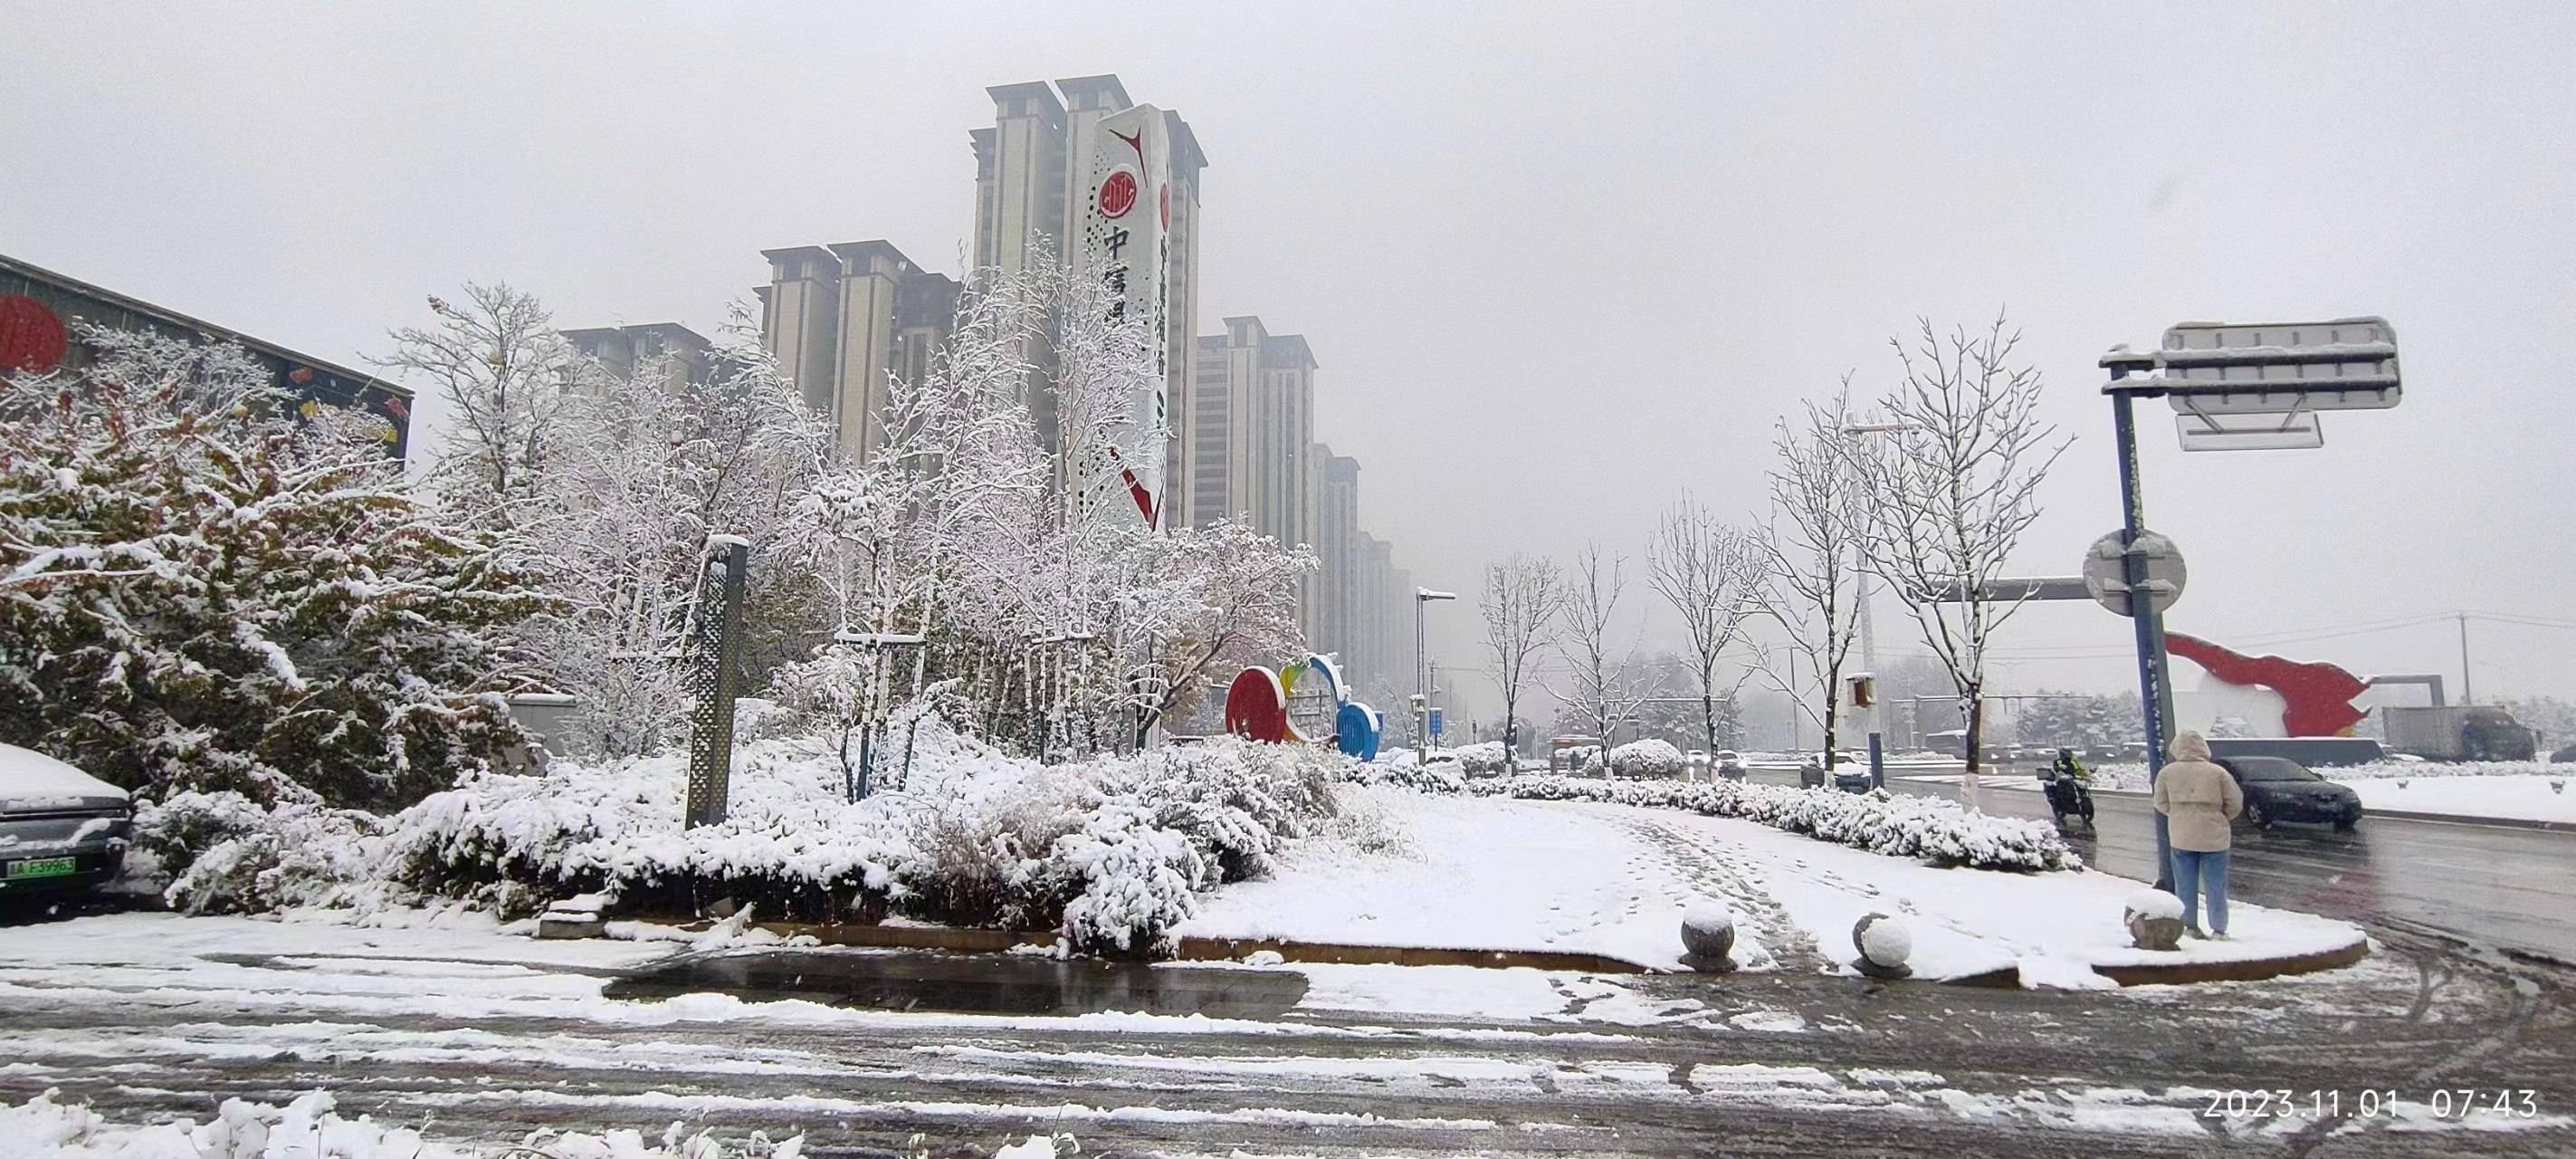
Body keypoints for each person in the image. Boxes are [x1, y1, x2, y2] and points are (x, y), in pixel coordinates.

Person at [2151, 730, 2244, 939]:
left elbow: (2160, 803)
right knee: (2216, 886)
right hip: (2215, 838)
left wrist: (2179, 814)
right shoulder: (2217, 772)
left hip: (2181, 836)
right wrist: (2218, 817)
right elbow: (2235, 803)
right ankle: (2219, 929)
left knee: (2185, 885)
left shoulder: (2167, 772)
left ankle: (2189, 927)